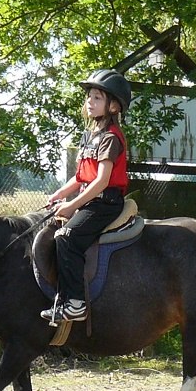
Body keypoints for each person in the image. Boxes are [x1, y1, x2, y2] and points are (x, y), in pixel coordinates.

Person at [41, 69, 131, 323]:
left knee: (67, 237)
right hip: (90, 198)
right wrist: (59, 194)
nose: (89, 102)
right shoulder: (90, 135)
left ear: (113, 106)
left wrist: (71, 206)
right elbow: (82, 176)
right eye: (89, 97)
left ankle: (76, 303)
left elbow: (102, 180)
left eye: (97, 98)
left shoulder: (111, 138)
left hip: (105, 202)